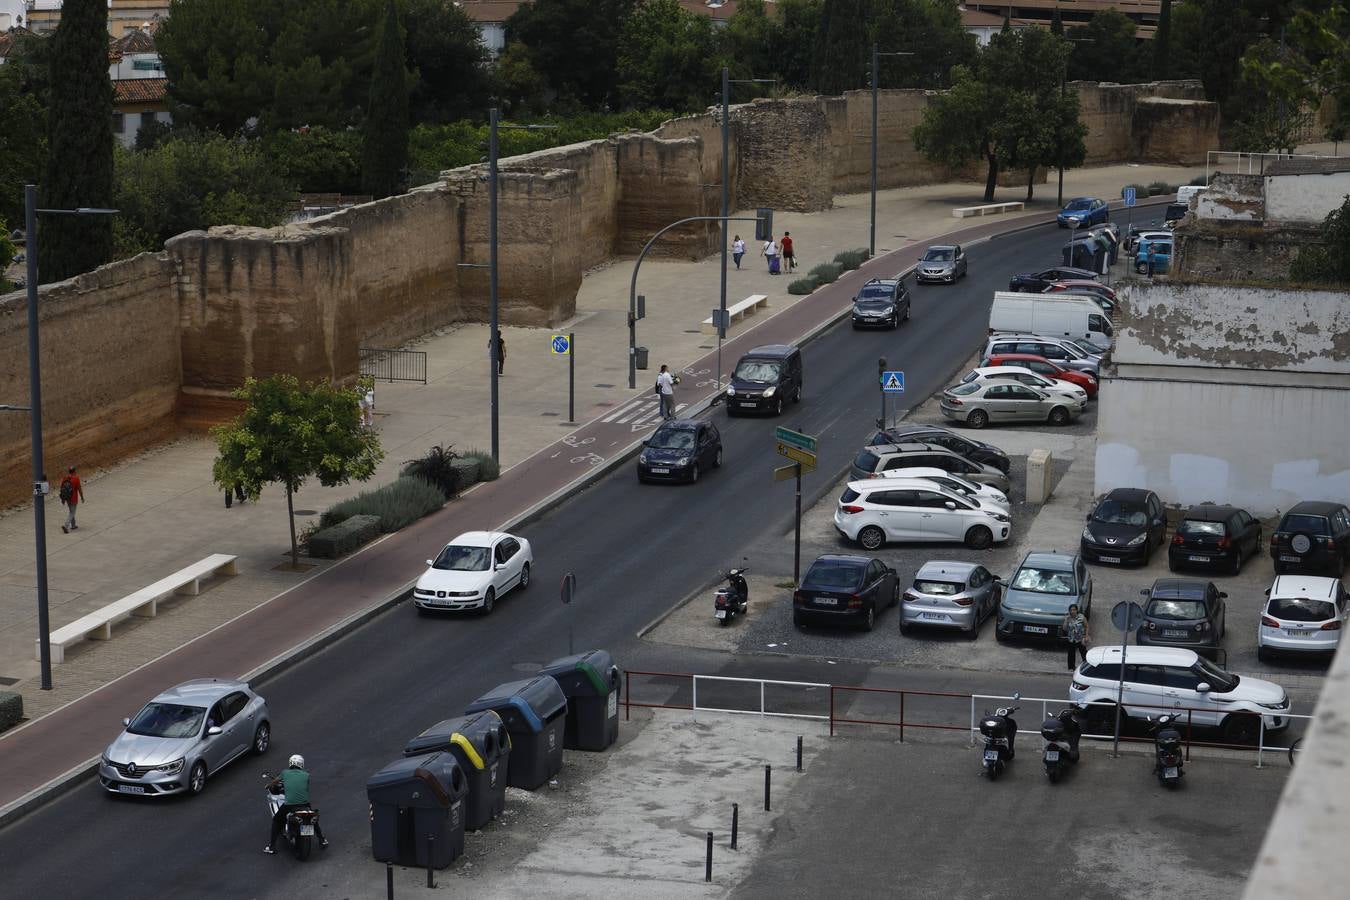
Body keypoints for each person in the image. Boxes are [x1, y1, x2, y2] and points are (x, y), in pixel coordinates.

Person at [265, 754, 327, 854]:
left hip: (290, 805)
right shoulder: (306, 775)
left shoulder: (285, 773)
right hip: (305, 804)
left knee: (276, 820)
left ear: (290, 763)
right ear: (301, 764)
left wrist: (268, 785)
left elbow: (276, 781)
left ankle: (271, 846)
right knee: (313, 819)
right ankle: (322, 839)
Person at [59, 466, 84, 534]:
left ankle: (73, 525)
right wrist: (82, 497)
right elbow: (79, 489)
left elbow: (62, 489)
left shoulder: (65, 478)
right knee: (72, 512)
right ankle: (66, 525)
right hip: (74, 498)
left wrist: (63, 499)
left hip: (67, 498)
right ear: (74, 471)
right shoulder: (76, 478)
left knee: (71, 511)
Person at [1064, 604, 1089, 670]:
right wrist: (1066, 621)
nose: (1073, 611)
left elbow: (1086, 626)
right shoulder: (1068, 618)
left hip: (1080, 638)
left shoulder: (1081, 617)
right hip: (1071, 638)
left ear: (1077, 610)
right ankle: (1071, 667)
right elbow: (1064, 629)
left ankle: (1087, 666)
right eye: (1071, 610)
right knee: (1071, 654)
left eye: (1074, 610)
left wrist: (1086, 636)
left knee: (1084, 653)